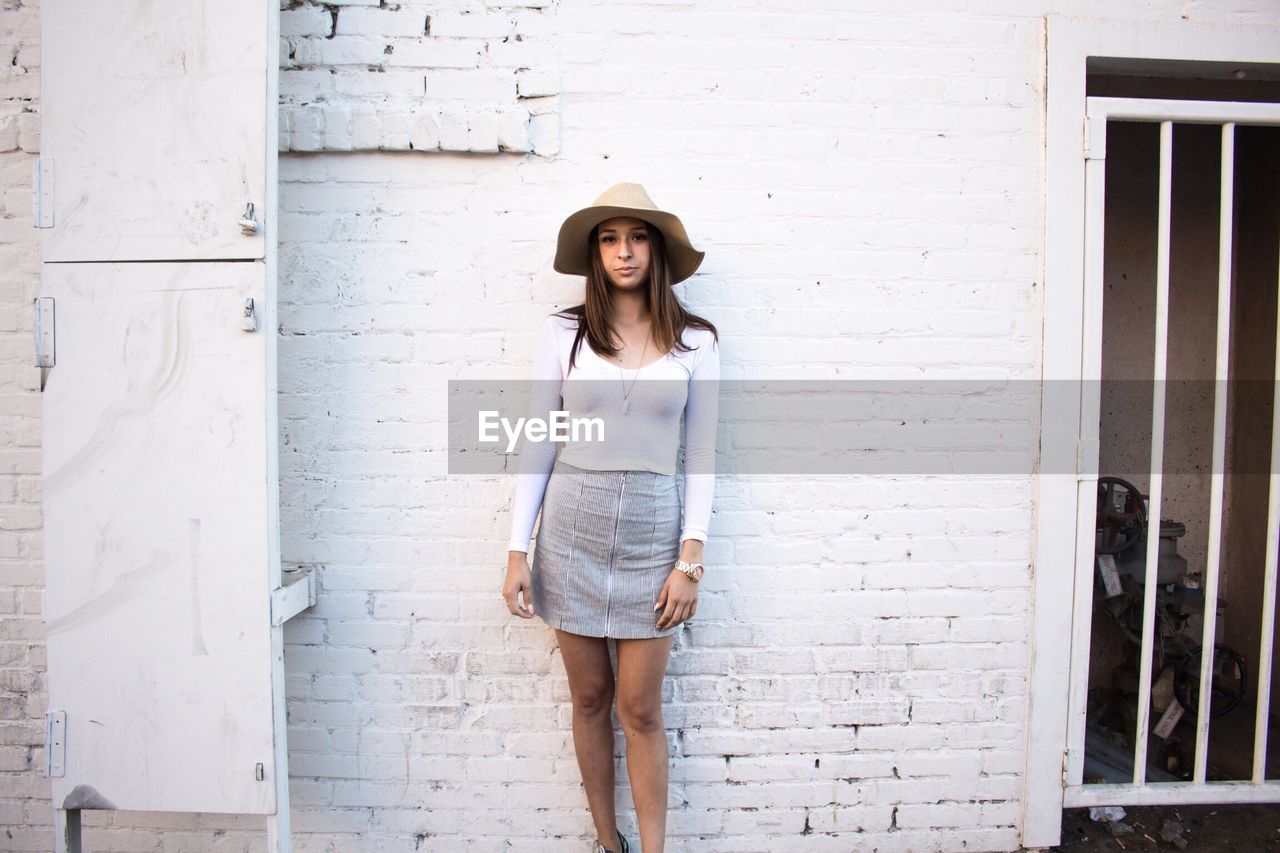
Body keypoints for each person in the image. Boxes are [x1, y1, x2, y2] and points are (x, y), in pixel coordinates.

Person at [502, 182, 720, 853]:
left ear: (655, 249)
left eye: (637, 236)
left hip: (655, 539)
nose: (623, 251)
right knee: (590, 700)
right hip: (571, 532)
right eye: (609, 238)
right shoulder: (563, 333)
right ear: (595, 253)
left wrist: (690, 559)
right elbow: (540, 436)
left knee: (640, 708)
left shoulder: (696, 342)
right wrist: (518, 547)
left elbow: (702, 454)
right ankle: (608, 841)